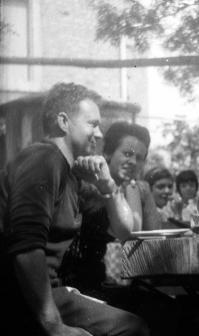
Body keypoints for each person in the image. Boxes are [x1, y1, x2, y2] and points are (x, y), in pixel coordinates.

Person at [0, 83, 148, 336]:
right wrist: (54, 326)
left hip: (49, 292)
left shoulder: (71, 175)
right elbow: (26, 248)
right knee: (132, 329)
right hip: (21, 297)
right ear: (63, 122)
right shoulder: (42, 161)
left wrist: (107, 184)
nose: (100, 134)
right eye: (92, 124)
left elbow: (126, 231)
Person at [61, 121, 161, 291]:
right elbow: (128, 235)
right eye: (127, 154)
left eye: (140, 158)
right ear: (108, 153)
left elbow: (153, 242)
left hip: (119, 283)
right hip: (82, 284)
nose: (133, 162)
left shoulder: (137, 189)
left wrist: (136, 192)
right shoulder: (90, 184)